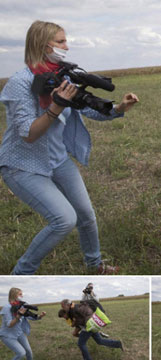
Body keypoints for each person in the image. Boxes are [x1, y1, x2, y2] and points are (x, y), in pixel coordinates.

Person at [0, 20, 139, 275]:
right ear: (44, 45)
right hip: (22, 165)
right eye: (61, 41)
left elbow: (86, 108)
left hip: (56, 159)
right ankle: (21, 273)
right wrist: (56, 106)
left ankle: (95, 265)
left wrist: (118, 108)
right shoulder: (20, 83)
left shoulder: (63, 77)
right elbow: (28, 134)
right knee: (64, 220)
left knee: (85, 214)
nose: (67, 46)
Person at [0, 287, 46, 360]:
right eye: (20, 294)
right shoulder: (7, 307)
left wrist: (40, 316)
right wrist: (18, 317)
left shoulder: (21, 306)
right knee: (21, 353)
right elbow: (9, 324)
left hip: (19, 333)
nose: (22, 296)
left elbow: (30, 316)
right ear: (14, 295)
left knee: (29, 352)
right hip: (7, 335)